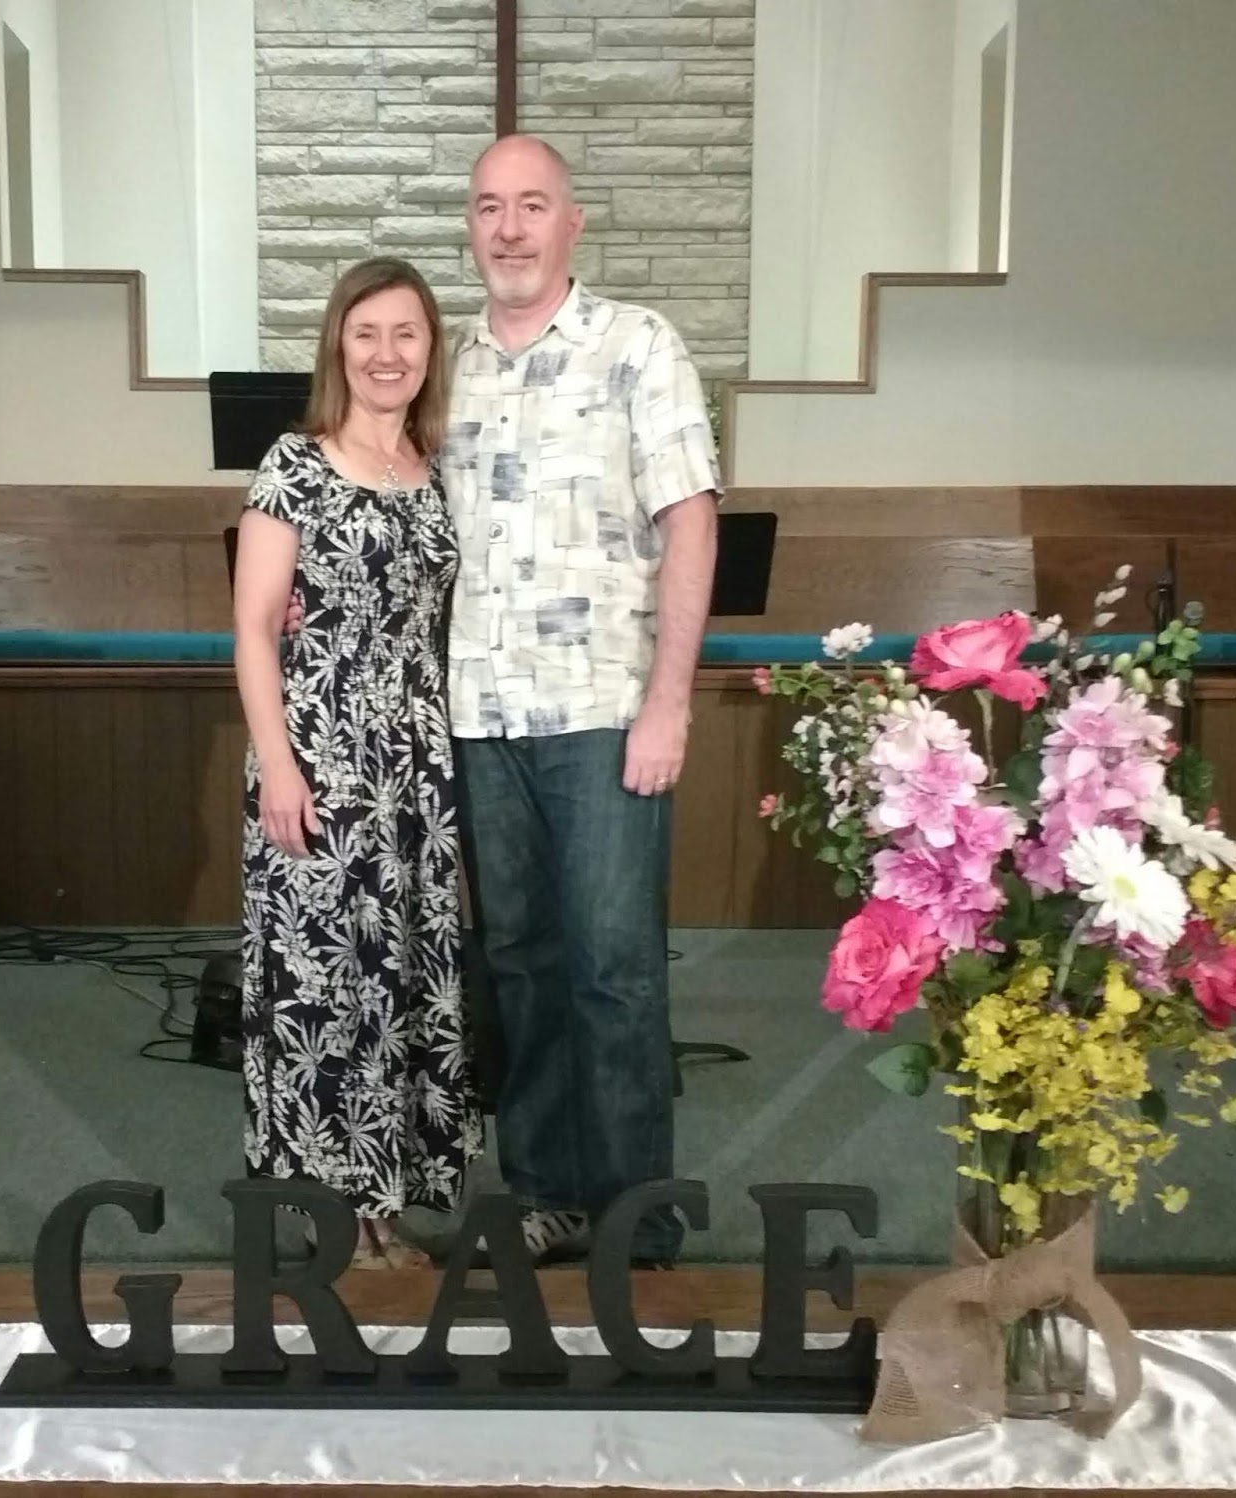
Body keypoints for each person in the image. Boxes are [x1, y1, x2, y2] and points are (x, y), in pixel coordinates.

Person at [446, 135, 721, 1267]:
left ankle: (633, 1212)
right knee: (520, 962)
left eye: (531, 205)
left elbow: (689, 523)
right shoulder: (445, 365)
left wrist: (670, 703)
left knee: (613, 965)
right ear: (471, 226)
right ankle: (545, 1192)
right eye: (488, 207)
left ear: (573, 222)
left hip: (605, 709)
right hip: (480, 714)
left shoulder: (637, 346)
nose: (509, 228)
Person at [232, 257, 481, 1269]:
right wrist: (278, 766)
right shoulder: (294, 463)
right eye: (366, 333)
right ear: (338, 346)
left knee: (405, 977)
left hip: (417, 769)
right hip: (323, 755)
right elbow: (254, 628)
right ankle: (335, 1212)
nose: (386, 354)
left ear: (430, 350)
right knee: (328, 983)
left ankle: (390, 1201)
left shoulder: (439, 469)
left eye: (405, 333)